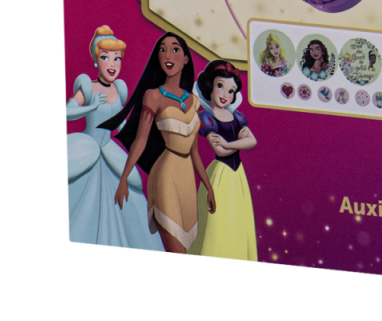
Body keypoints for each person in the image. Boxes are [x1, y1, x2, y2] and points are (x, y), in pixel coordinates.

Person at [104, 33, 216, 255]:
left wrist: (208, 187)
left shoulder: (194, 101)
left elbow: (194, 152)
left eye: (175, 49)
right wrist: (124, 178)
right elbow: (141, 140)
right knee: (176, 249)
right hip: (165, 175)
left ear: (186, 58)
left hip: (186, 179)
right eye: (162, 50)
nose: (167, 55)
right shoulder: (153, 96)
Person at [66, 26, 162, 252]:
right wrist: (90, 107)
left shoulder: (119, 89)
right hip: (87, 151)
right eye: (105, 57)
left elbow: (120, 125)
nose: (112, 64)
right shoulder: (87, 86)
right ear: (96, 61)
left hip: (110, 153)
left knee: (130, 199)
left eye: (117, 58)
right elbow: (67, 112)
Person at [188, 60, 258, 263]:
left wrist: (229, 144)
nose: (225, 94)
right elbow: (218, 149)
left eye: (231, 90)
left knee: (238, 218)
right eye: (220, 86)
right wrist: (237, 144)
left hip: (237, 177)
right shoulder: (207, 118)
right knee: (217, 221)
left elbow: (253, 141)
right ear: (209, 86)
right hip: (220, 176)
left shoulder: (237, 116)